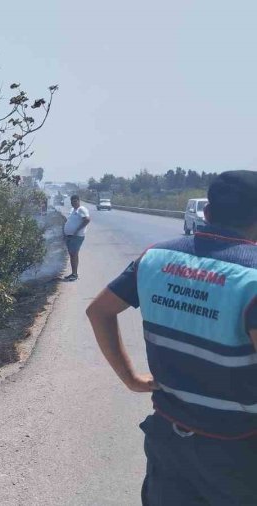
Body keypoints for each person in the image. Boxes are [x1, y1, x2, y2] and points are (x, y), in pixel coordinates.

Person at [86, 170, 257, 505]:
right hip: (237, 448)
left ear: (207, 213)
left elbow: (99, 311)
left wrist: (131, 379)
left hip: (169, 436)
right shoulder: (251, 277)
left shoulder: (156, 257)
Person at [64, 195, 90, 281]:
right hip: (70, 236)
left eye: (75, 201)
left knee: (74, 254)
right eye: (72, 201)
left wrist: (77, 230)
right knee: (72, 254)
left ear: (79, 201)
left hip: (77, 236)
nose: (73, 203)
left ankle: (75, 274)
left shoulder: (81, 209)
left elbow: (87, 219)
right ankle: (73, 273)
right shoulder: (73, 210)